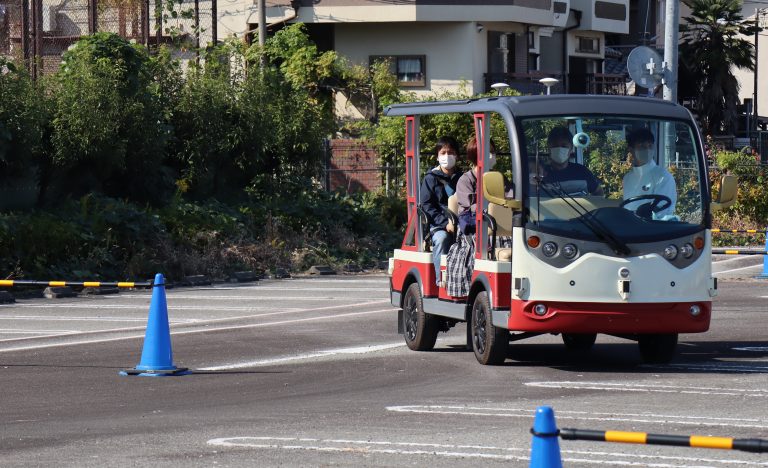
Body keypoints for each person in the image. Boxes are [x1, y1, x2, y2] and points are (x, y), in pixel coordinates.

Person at [419, 135, 462, 285]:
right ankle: (441, 280)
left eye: (450, 152)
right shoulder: (430, 178)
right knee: (442, 239)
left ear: (456, 155)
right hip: (438, 226)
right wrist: (445, 223)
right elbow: (427, 206)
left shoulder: (462, 178)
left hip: (462, 223)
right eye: (443, 153)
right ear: (437, 156)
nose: (447, 156)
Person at [622, 127, 677, 219]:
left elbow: (661, 214)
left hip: (654, 230)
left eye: (650, 146)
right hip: (628, 228)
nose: (647, 150)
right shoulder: (627, 178)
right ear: (631, 150)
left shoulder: (663, 177)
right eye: (642, 146)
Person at [538, 126, 603, 196]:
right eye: (555, 145)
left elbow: (598, 192)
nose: (559, 149)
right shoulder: (540, 174)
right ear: (548, 148)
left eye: (564, 146)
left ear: (571, 149)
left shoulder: (582, 172)